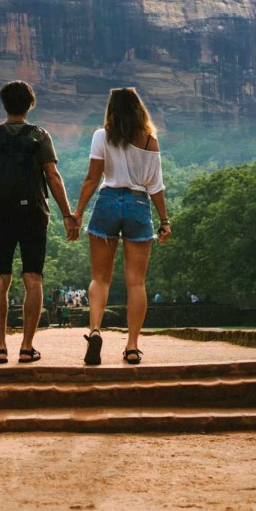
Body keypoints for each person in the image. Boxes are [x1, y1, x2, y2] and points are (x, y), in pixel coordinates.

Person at [0, 80, 79, 364]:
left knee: (0, 278)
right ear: (30, 104)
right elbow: (53, 176)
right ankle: (27, 347)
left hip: (0, 215)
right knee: (33, 277)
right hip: (33, 213)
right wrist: (67, 214)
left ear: (4, 104)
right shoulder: (39, 136)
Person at [73, 87, 171, 365]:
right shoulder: (150, 140)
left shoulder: (101, 136)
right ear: (139, 108)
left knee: (100, 278)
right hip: (137, 204)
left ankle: (94, 330)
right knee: (136, 282)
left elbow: (92, 178)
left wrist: (77, 213)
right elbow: (156, 185)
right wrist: (164, 221)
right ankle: (131, 347)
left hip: (107, 203)